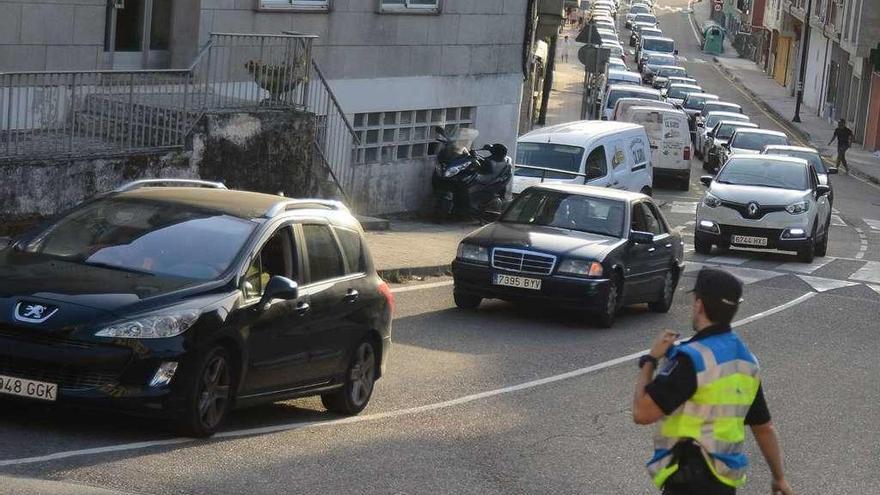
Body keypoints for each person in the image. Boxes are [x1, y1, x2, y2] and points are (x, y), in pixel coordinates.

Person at [631, 268, 794, 495]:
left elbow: (642, 413)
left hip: (688, 482)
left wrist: (649, 361)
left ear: (699, 304)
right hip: (724, 483)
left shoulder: (692, 359)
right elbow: (764, 427)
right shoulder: (746, 362)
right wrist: (779, 477)